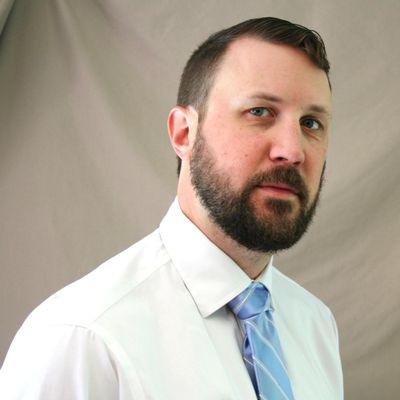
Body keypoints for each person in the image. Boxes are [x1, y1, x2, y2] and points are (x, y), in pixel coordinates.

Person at [0, 17, 343, 399]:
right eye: (260, 112)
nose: (293, 150)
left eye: (311, 123)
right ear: (184, 133)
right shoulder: (84, 340)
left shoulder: (316, 326)